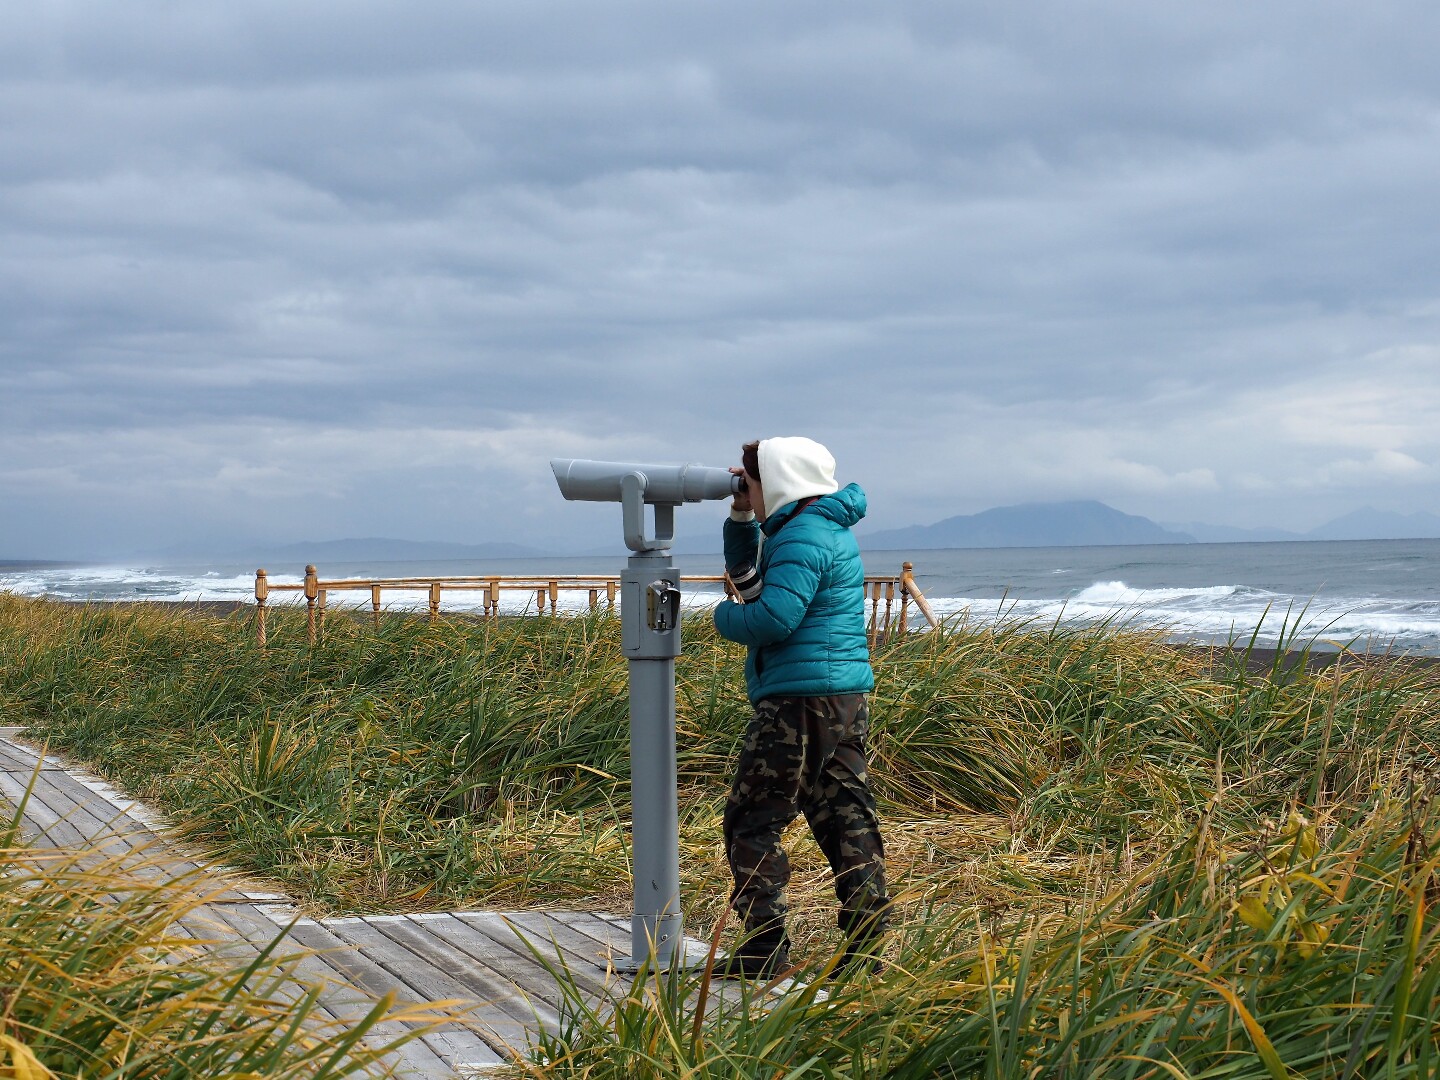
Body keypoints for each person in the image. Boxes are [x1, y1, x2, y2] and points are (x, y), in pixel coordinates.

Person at [712, 436, 889, 979]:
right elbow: (754, 582)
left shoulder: (802, 539)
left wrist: (719, 618)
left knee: (752, 819)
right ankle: (864, 952)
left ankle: (765, 948)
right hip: (838, 698)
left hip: (798, 702)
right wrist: (741, 516)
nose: (747, 489)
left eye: (752, 480)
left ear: (781, 480)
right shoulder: (814, 530)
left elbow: (770, 618)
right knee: (843, 816)